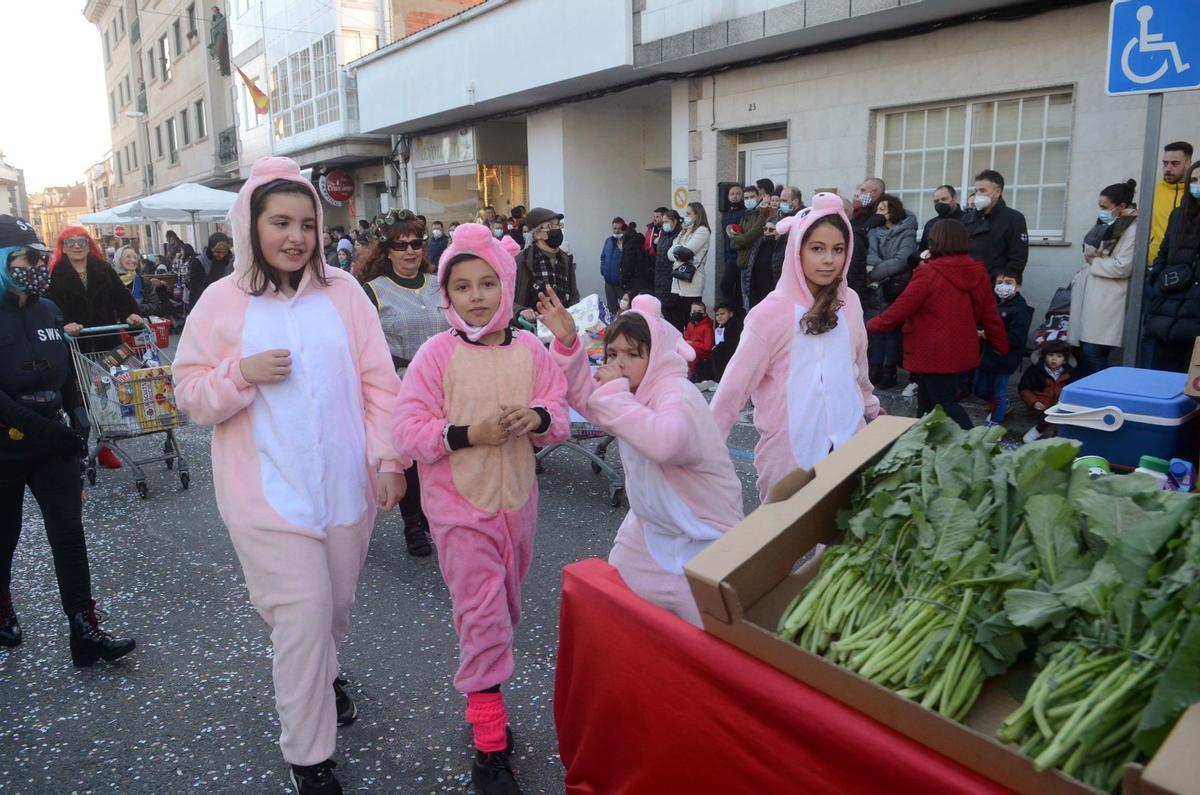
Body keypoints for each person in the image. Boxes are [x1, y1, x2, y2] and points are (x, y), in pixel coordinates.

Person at [173, 157, 408, 795]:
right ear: (252, 225)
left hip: (342, 489)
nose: (296, 237)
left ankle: (325, 671)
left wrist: (390, 459)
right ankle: (310, 757)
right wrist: (240, 375)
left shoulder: (345, 293)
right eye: (281, 222)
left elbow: (378, 384)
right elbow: (189, 395)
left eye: (306, 222)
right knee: (302, 614)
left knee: (332, 609)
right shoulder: (221, 303)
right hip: (265, 495)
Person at [391, 223, 568, 795]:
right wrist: (469, 433)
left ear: (505, 285)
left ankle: (486, 706)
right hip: (458, 513)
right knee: (483, 618)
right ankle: (490, 748)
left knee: (505, 612)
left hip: (517, 509)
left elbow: (558, 412)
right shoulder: (435, 354)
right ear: (447, 294)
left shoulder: (531, 349)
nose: (475, 296)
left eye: (488, 283)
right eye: (462, 285)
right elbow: (408, 429)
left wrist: (536, 420)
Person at [539, 288, 742, 626]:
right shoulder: (632, 392)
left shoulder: (678, 392)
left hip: (708, 542)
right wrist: (568, 345)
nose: (618, 364)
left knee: (717, 652)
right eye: (613, 353)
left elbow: (666, 442)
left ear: (657, 355)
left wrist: (614, 392)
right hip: (649, 534)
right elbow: (592, 401)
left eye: (632, 355)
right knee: (617, 623)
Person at [0, 215, 136, 666]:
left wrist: (79, 419)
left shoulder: (48, 309)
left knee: (69, 535)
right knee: (6, 534)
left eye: (39, 257)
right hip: (6, 445)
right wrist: (53, 431)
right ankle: (2, 609)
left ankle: (84, 628)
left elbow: (66, 375)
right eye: (25, 258)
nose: (35, 266)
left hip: (53, 442)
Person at [712, 193, 880, 503]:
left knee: (840, 546)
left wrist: (872, 408)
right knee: (782, 545)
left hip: (850, 451)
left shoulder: (851, 304)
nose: (829, 260)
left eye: (838, 249)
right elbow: (731, 392)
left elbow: (858, 368)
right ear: (797, 251)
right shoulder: (769, 314)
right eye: (817, 249)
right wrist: (701, 455)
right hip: (788, 461)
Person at [361, 209, 449, 557]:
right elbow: (364, 344)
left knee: (441, 452)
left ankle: (438, 516)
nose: (410, 251)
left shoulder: (438, 283)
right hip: (400, 382)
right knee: (409, 456)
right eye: (401, 245)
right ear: (386, 251)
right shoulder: (373, 292)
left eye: (416, 243)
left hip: (444, 380)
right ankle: (413, 521)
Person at [866, 219, 1008, 430]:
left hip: (932, 351)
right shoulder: (976, 271)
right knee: (927, 399)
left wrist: (864, 328)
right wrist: (1002, 346)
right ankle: (923, 441)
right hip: (960, 348)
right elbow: (989, 313)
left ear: (936, 242)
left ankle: (975, 444)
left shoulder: (929, 272)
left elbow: (899, 310)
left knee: (945, 402)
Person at [1069, 179, 1138, 377]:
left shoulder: (1131, 229)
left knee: (1094, 350)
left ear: (1122, 207)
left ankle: (1103, 392)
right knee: (1085, 348)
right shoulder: (1107, 223)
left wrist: (1095, 263)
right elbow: (1090, 250)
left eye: (1105, 207)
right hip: (1091, 293)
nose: (1101, 211)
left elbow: (1123, 266)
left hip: (1108, 298)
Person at [1145, 161, 1200, 372]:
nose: (1196, 185)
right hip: (1168, 306)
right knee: (1164, 377)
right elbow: (1164, 252)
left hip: (1194, 312)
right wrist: (1157, 279)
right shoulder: (1179, 214)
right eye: (1193, 180)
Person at [864, 193, 919, 389]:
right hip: (875, 289)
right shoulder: (873, 231)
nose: (878, 213)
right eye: (877, 209)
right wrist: (880, 271)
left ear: (893, 211)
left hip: (894, 287)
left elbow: (902, 260)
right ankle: (875, 368)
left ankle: (889, 370)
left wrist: (876, 274)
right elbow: (869, 255)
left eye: (882, 209)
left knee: (892, 332)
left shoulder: (907, 232)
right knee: (876, 329)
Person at [974, 267, 1033, 428]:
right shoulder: (992, 303)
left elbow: (1017, 337)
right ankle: (1003, 405)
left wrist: (989, 335)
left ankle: (995, 423)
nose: (1003, 286)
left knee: (998, 391)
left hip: (1005, 357)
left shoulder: (1021, 310)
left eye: (1008, 283)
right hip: (987, 355)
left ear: (1018, 286)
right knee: (978, 388)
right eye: (1000, 282)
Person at [513, 207, 577, 324]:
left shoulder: (566, 260)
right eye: (549, 226)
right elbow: (506, 301)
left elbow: (574, 296)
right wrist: (520, 311)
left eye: (558, 225)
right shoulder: (521, 262)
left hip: (562, 328)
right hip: (533, 330)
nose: (557, 229)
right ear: (537, 234)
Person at [961, 169, 1029, 278]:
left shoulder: (1014, 218)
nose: (978, 195)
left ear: (997, 192)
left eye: (982, 190)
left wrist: (1006, 281)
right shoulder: (967, 219)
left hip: (995, 284)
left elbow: (1018, 256)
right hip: (969, 282)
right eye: (976, 190)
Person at [1019, 339, 1074, 443]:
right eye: (1050, 355)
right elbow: (1024, 388)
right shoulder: (1035, 370)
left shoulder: (1069, 372)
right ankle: (1037, 431)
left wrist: (1064, 401)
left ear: (1065, 360)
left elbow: (1072, 390)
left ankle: (1056, 439)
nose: (1054, 359)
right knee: (1049, 413)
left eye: (1059, 356)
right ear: (1044, 357)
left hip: (1058, 404)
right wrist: (1034, 402)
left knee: (1061, 414)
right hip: (1040, 403)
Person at [667, 202, 711, 330]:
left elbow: (687, 252)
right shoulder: (684, 231)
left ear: (697, 215)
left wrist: (677, 251)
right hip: (677, 282)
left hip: (691, 279)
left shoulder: (702, 231)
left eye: (688, 214)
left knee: (689, 320)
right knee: (677, 320)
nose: (685, 216)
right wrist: (678, 251)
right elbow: (669, 253)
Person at [728, 185, 771, 312]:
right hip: (743, 264)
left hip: (753, 265)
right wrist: (739, 240)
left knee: (752, 303)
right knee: (745, 302)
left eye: (752, 197)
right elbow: (733, 243)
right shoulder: (746, 215)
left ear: (759, 197)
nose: (749, 200)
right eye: (746, 197)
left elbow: (749, 238)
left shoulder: (761, 215)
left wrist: (738, 239)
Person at [190, 232, 234, 307]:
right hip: (203, 303)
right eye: (217, 252)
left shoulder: (229, 260)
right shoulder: (199, 262)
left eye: (224, 252)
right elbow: (196, 290)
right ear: (211, 248)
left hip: (225, 303)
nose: (221, 255)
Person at [719, 184, 746, 306]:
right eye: (732, 194)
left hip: (740, 256)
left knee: (734, 287)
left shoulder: (745, 212)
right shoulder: (727, 213)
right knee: (727, 286)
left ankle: (736, 312)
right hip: (729, 256)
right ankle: (732, 310)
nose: (735, 196)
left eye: (738, 194)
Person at [746, 218, 780, 308]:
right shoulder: (759, 244)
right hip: (757, 291)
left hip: (774, 291)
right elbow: (750, 268)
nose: (767, 232)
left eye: (771, 230)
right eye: (765, 229)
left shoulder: (782, 247)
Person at [920, 185, 964, 251]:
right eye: (936, 201)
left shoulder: (967, 220)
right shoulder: (930, 224)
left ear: (954, 198)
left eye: (944, 199)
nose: (940, 203)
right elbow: (922, 250)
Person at [653, 209, 682, 306]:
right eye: (664, 222)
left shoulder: (679, 236)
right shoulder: (664, 235)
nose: (664, 224)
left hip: (671, 278)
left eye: (667, 222)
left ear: (675, 221)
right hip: (660, 278)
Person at [683, 300, 715, 381]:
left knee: (691, 354)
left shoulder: (707, 327)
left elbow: (708, 347)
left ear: (704, 313)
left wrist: (693, 343)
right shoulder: (690, 325)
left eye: (699, 311)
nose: (696, 313)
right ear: (690, 313)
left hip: (703, 354)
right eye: (694, 311)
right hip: (692, 349)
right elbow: (686, 339)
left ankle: (693, 376)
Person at [620, 224, 654, 299]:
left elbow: (627, 268)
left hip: (633, 283)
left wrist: (623, 281)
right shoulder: (641, 247)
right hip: (644, 283)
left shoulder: (628, 248)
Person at [710, 302, 741, 382]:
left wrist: (718, 347)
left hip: (732, 353)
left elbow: (732, 342)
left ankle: (721, 381)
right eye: (717, 315)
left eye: (722, 314)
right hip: (723, 350)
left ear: (730, 314)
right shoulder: (720, 326)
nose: (719, 317)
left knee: (718, 354)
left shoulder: (733, 326)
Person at [601, 216, 626, 313]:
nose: (616, 231)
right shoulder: (608, 241)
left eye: (619, 228)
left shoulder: (627, 242)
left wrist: (622, 249)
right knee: (611, 309)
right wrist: (603, 270)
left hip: (621, 283)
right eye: (614, 228)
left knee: (625, 309)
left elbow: (629, 260)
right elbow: (603, 257)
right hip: (609, 282)